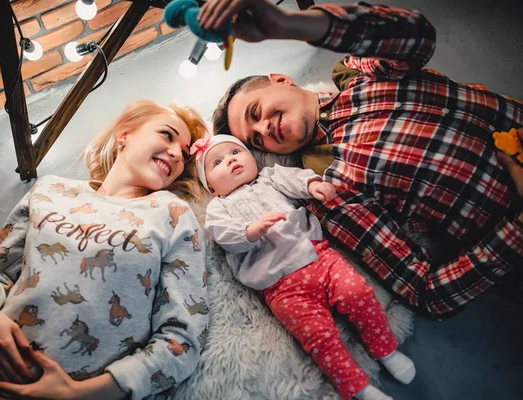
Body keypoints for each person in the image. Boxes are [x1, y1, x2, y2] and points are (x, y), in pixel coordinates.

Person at [200, 0, 523, 316]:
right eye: (257, 139)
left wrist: (287, 25)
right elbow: (423, 290)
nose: (265, 127)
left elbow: (417, 35)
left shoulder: (357, 75)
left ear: (281, 79)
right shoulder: (330, 185)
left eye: (256, 112)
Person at [0, 100, 210, 400]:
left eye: (185, 151)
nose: (177, 153)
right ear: (125, 134)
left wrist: (77, 394)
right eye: (167, 135)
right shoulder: (50, 190)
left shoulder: (174, 214)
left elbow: (182, 339)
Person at [196, 134, 415, 400]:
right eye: (217, 162)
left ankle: (386, 350)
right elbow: (222, 234)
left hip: (318, 257)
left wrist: (312, 185)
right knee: (318, 336)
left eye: (235, 152)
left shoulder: (268, 177)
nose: (230, 160)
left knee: (358, 293)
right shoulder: (219, 207)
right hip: (279, 287)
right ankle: (357, 386)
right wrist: (250, 231)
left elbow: (295, 178)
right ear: (211, 188)